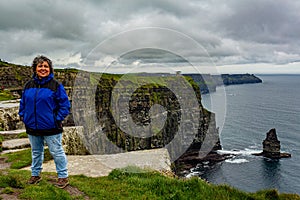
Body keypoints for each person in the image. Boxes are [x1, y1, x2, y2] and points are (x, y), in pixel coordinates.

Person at [19, 55, 71, 188]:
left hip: (51, 127)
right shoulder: (28, 85)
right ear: (35, 68)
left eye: (46, 66)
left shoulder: (56, 86)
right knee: (36, 152)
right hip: (32, 126)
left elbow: (65, 105)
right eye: (40, 66)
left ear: (50, 69)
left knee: (56, 152)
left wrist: (56, 119)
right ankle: (35, 174)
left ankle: (63, 177)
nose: (43, 68)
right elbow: (23, 103)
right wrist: (23, 116)